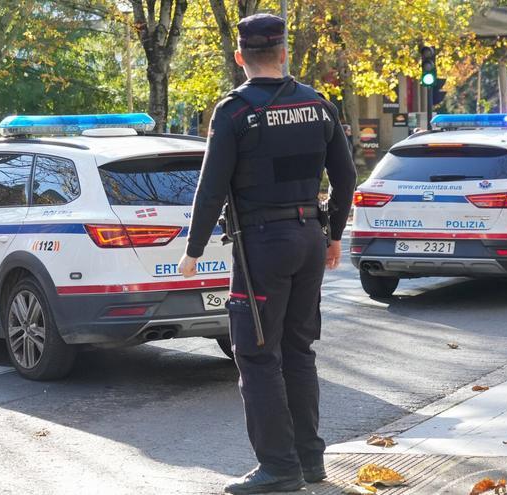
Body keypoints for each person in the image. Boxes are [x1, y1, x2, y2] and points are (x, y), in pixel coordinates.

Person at [177, 13, 356, 495]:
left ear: (240, 57)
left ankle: (278, 468)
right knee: (299, 350)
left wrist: (193, 250)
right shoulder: (318, 104)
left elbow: (211, 187)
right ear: (284, 52)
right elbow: (346, 178)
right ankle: (309, 461)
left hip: (263, 248)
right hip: (310, 241)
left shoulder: (234, 112)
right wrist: (335, 234)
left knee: (256, 356)